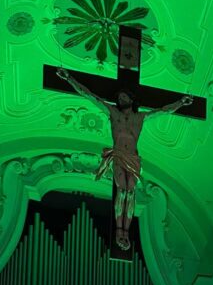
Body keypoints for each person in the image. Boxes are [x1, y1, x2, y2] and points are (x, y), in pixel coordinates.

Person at [56, 68, 192, 250]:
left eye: (124, 97)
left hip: (133, 158)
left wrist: (181, 102)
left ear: (131, 99)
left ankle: (125, 231)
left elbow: (163, 111)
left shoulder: (141, 117)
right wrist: (69, 78)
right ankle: (120, 230)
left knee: (130, 192)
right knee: (122, 191)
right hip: (119, 154)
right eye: (119, 98)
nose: (120, 99)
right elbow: (90, 96)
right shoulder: (113, 113)